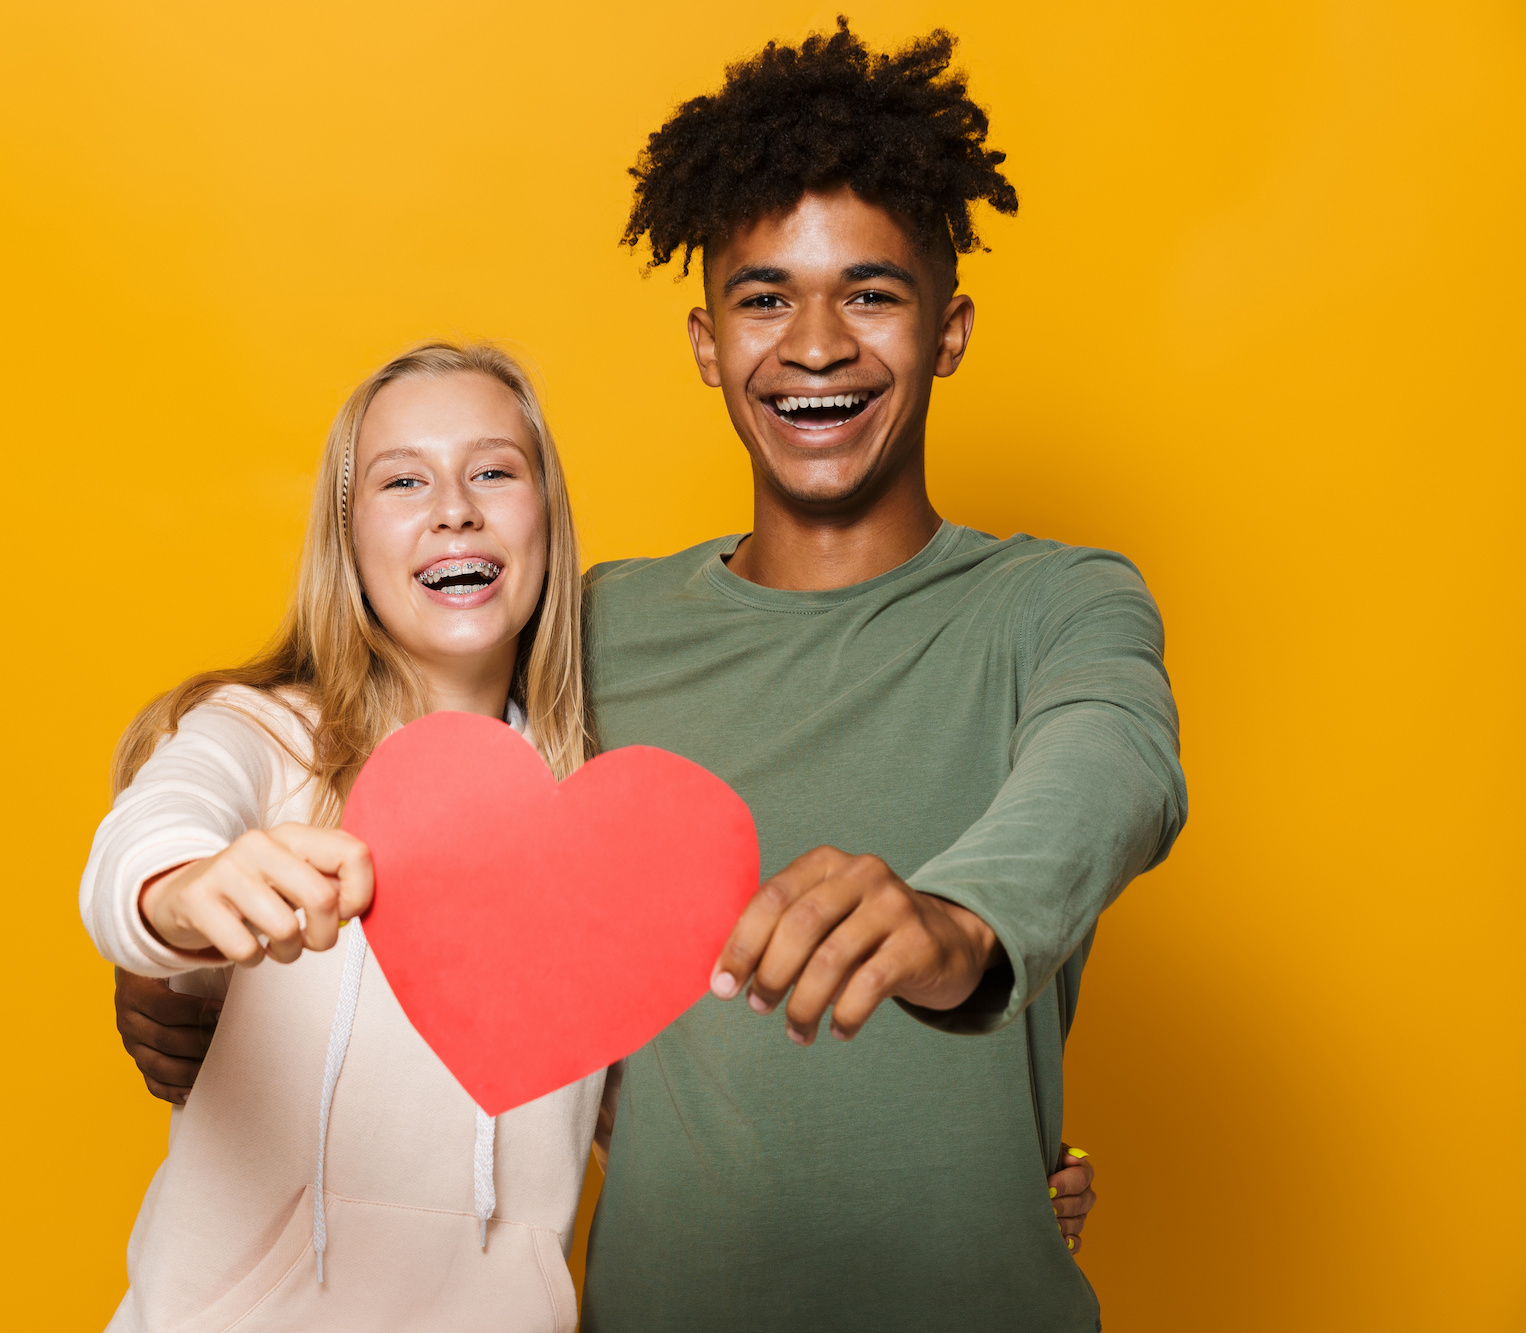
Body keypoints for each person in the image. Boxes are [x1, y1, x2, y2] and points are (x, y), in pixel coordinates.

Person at [115, 20, 1172, 1329]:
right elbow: (383, 793)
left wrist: (958, 925)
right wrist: (181, 963)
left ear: (948, 330)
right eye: (766, 297)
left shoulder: (1051, 603)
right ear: (707, 342)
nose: (819, 344)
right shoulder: (582, 638)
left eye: (874, 292)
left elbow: (1111, 766)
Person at [80, 342, 605, 1331]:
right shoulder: (262, 739)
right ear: (348, 537)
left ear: (546, 518)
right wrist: (184, 891)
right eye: (402, 479)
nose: (454, 506)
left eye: (493, 469)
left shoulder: (592, 820)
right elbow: (146, 841)